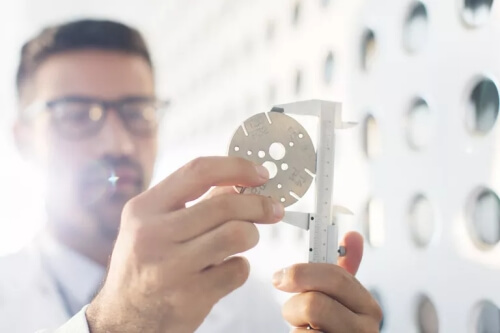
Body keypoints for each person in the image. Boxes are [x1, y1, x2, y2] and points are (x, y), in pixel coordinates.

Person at [0, 19, 382, 332]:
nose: (118, 144)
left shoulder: (242, 300)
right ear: (23, 140)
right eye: (75, 115)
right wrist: (117, 326)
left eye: (137, 112)